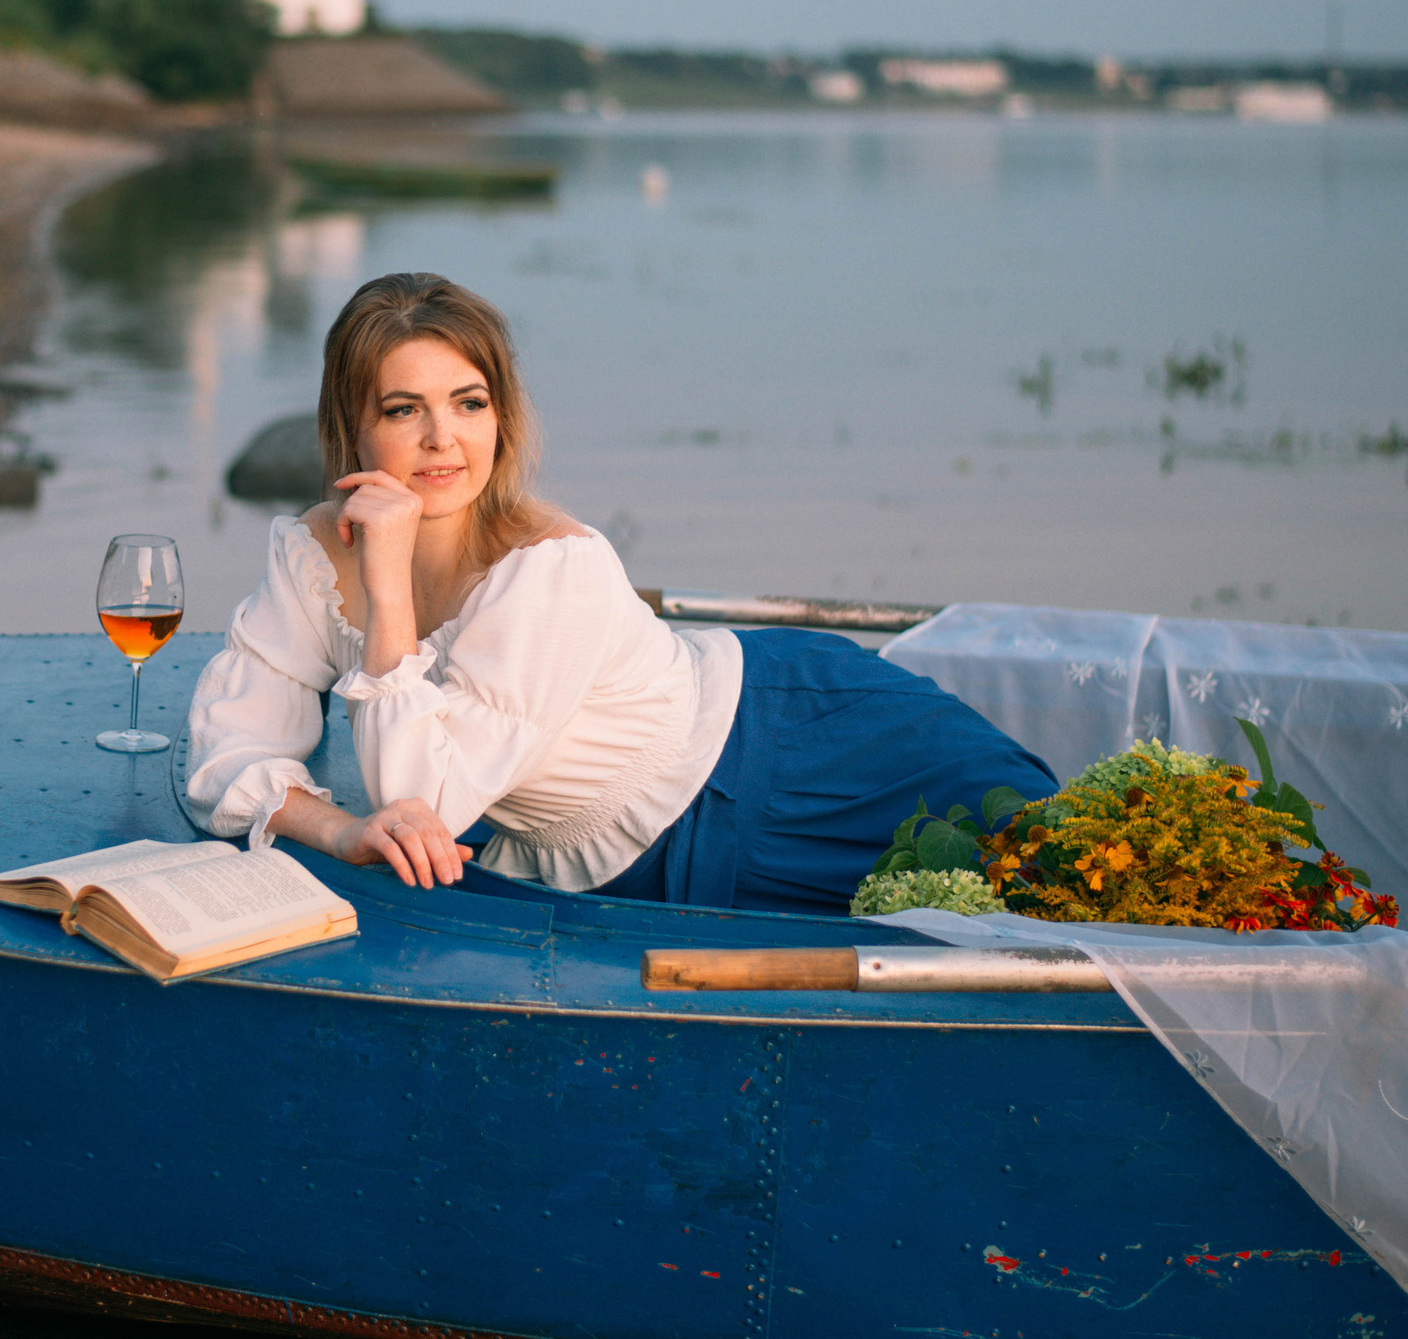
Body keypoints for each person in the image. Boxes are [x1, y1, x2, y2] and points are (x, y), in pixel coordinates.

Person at [184, 272, 1054, 913]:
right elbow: (225, 754)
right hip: (643, 847)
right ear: (353, 425)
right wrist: (335, 830)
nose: (443, 438)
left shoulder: (551, 568)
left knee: (1060, 871)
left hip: (798, 752)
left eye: (470, 403)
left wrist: (388, 587)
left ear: (501, 416)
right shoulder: (312, 552)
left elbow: (426, 803)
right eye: (404, 408)